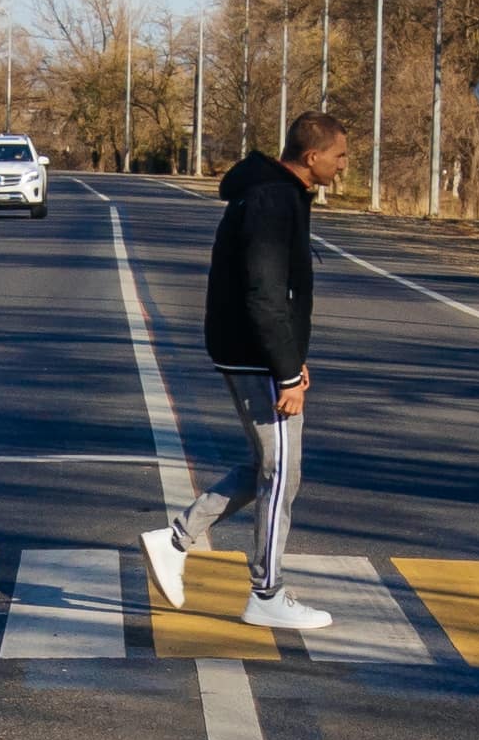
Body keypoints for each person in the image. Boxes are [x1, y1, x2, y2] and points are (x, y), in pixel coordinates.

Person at [144, 111, 346, 635]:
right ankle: (267, 592)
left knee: (268, 468)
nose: (344, 165)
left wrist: (294, 360)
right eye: (340, 156)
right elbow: (264, 294)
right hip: (256, 356)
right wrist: (286, 373)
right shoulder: (271, 200)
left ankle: (174, 541)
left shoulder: (277, 194)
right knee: (282, 474)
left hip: (257, 354)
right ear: (312, 157)